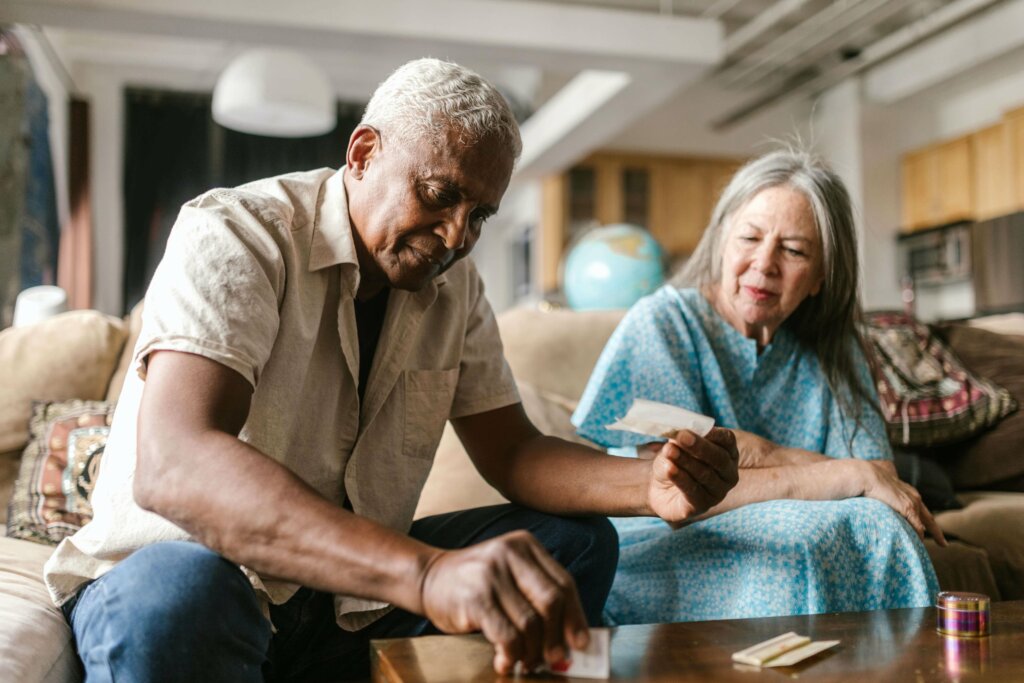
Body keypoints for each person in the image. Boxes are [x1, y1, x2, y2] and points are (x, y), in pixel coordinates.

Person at [43, 58, 740, 681]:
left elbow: (516, 452)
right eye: (440, 195)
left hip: (340, 606)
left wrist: (649, 484)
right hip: (186, 580)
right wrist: (427, 572)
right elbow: (177, 463)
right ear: (364, 152)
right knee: (183, 593)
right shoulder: (239, 233)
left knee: (569, 547)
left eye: (480, 215)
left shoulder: (455, 291)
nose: (458, 237)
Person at [572, 149, 947, 626]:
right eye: (749, 237)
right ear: (722, 243)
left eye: (793, 250)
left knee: (882, 524)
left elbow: (877, 476)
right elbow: (676, 492)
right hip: (666, 544)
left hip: (800, 530)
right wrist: (833, 474)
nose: (764, 263)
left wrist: (772, 457)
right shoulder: (663, 323)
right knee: (797, 537)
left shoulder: (835, 346)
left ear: (820, 276)